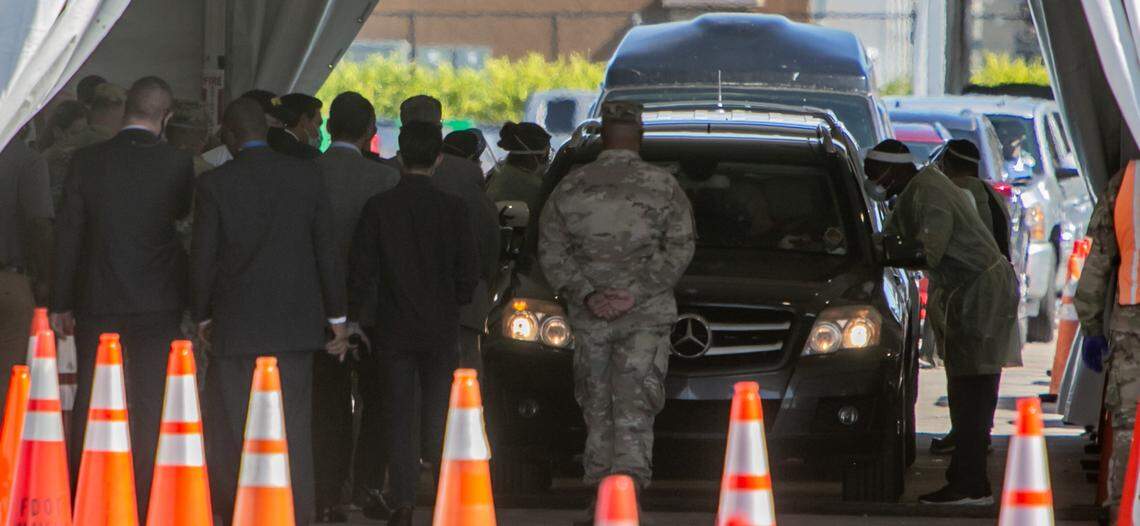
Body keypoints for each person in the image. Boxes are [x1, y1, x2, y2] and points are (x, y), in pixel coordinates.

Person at [538, 101, 695, 522]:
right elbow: (681, 247)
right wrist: (636, 292)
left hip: (591, 317)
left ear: (603, 135)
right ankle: (627, 494)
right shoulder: (663, 187)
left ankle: (600, 496)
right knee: (635, 403)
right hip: (644, 316)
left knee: (596, 402)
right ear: (639, 135)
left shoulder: (571, 187)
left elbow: (551, 250)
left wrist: (588, 294)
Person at [192, 98, 346, 526]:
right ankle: (295, 514)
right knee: (293, 429)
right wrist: (336, 319)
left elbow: (202, 259)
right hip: (296, 327)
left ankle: (246, 513)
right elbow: (326, 252)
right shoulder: (305, 176)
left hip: (235, 327)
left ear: (229, 135)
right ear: (266, 129)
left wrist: (203, 315)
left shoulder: (215, 185)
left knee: (240, 428)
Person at [50, 76, 193, 516]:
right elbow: (181, 226)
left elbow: (69, 233)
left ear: (125, 108)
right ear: (165, 117)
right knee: (151, 403)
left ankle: (84, 495)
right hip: (158, 302)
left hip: (98, 299)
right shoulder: (177, 163)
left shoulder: (87, 161)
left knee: (95, 398)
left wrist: (60, 301)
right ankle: (147, 498)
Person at [862, 140, 1020, 505]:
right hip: (967, 290)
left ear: (893, 169)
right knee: (967, 386)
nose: (874, 182)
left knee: (972, 389)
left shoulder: (929, 193)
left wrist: (876, 251)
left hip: (981, 291)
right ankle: (967, 478)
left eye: (874, 174)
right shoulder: (916, 190)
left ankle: (971, 483)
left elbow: (925, 251)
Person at [348, 121, 479, 526]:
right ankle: (445, 500)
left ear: (400, 157)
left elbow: (361, 272)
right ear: (438, 159)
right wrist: (452, 300)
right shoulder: (455, 210)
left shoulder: (379, 207)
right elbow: (468, 274)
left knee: (400, 416)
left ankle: (403, 502)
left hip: (393, 328)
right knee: (440, 414)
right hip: (441, 328)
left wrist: (357, 318)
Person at [311, 92, 399, 523]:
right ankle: (368, 487)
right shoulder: (384, 180)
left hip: (316, 309)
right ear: (370, 133)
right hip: (373, 312)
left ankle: (326, 493)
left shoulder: (307, 172)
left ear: (328, 127)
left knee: (326, 404)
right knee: (376, 401)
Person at [390, 96, 501, 374]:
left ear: (403, 129)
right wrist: (481, 285)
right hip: (459, 305)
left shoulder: (386, 171)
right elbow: (487, 235)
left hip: (396, 308)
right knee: (461, 382)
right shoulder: (465, 172)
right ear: (439, 127)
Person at [926, 139, 1015, 457]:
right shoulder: (991, 192)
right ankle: (976, 429)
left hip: (970, 289)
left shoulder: (958, 193)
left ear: (947, 164)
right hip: (996, 286)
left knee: (964, 364)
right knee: (986, 363)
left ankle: (968, 432)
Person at [1074, 158, 1140, 518]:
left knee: (1130, 426)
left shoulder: (1128, 180)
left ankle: (1124, 512)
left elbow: (1098, 261)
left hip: (1132, 323)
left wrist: (1091, 327)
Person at [0, 129, 53, 397]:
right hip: (9, 281)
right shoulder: (27, 160)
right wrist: (47, 278)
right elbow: (39, 224)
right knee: (8, 382)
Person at [485, 121, 551, 212]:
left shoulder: (500, 171)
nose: (547, 160)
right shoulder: (533, 187)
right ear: (531, 156)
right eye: (546, 155)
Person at [40, 100, 88, 210]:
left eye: (84, 133)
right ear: (57, 132)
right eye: (74, 133)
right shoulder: (44, 161)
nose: (80, 139)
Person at [269, 93, 323, 159]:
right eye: (319, 124)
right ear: (304, 119)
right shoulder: (309, 155)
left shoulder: (266, 144)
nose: (319, 133)